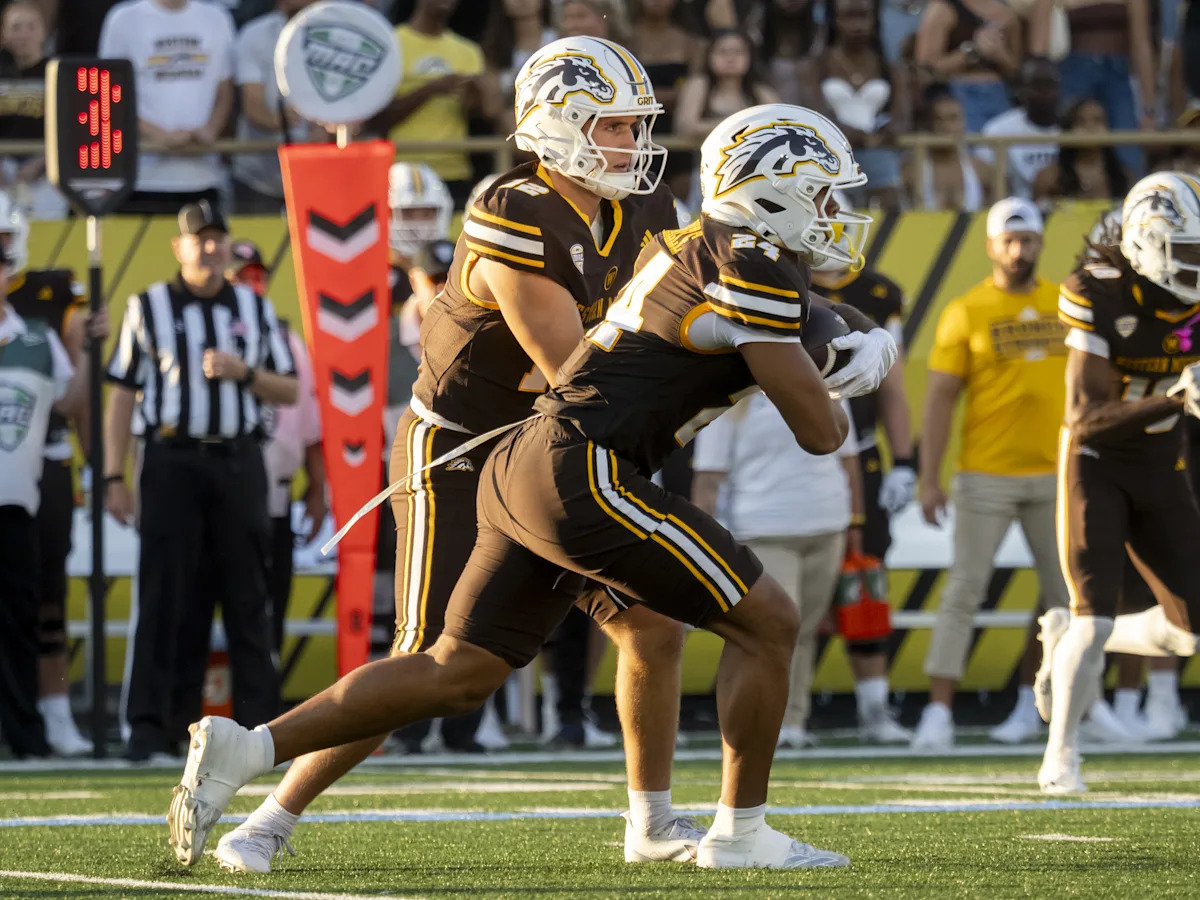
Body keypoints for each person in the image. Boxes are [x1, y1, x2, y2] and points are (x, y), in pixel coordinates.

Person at [167, 102, 897, 872]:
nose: (833, 212)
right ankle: (741, 834)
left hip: (536, 461)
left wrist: (849, 335)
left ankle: (249, 748)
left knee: (466, 670)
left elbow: (788, 312)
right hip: (529, 458)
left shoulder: (692, 233)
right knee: (769, 621)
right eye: (821, 192)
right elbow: (821, 431)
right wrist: (844, 361)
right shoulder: (528, 211)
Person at [209, 35, 694, 874]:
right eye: (614, 126)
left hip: (550, 448)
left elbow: (677, 320)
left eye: (633, 126)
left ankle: (651, 821)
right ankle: (265, 812)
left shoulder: (645, 210)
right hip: (463, 456)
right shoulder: (514, 208)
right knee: (428, 661)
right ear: (558, 125)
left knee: (650, 622)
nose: (632, 144)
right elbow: (576, 374)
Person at [104, 202, 297, 761]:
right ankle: (151, 727)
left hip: (239, 464)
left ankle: (263, 732)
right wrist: (114, 473)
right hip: (171, 459)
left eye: (217, 238)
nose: (209, 248)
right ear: (179, 247)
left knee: (247, 598)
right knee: (165, 594)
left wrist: (244, 373)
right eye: (199, 239)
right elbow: (120, 392)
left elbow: (288, 389)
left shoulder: (254, 308)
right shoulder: (148, 306)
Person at [1039, 171, 1200, 793]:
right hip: (1097, 461)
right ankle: (1062, 755)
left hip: (1164, 463)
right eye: (1185, 250)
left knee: (1188, 631)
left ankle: (1064, 635)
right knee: (1095, 617)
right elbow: (1084, 420)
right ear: (1145, 243)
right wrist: (1178, 398)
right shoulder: (1099, 292)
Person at [911, 197, 1069, 750]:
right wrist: (928, 478)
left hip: (1057, 474)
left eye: (1028, 239)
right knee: (964, 591)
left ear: (1040, 243)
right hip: (986, 474)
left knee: (1065, 598)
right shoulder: (966, 309)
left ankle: (1051, 706)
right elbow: (938, 401)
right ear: (991, 246)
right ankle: (937, 711)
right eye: (1010, 239)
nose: (1019, 249)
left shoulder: (1064, 303)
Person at [692, 392, 865, 748]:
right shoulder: (726, 395)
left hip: (827, 523)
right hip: (762, 528)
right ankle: (760, 723)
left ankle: (793, 722)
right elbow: (708, 478)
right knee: (777, 630)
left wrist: (855, 522)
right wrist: (701, 544)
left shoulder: (828, 384)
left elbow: (849, 459)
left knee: (805, 631)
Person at [0, 194, 106, 760]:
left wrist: (83, 344)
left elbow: (70, 399)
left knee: (33, 603)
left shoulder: (43, 319)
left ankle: (37, 719)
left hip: (28, 476)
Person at [809, 213, 914, 744]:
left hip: (861, 452)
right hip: (791, 457)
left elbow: (892, 388)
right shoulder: (778, 280)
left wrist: (906, 461)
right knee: (787, 589)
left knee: (864, 578)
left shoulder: (877, 292)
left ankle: (874, 708)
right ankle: (786, 714)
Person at [227, 240, 326, 657]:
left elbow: (309, 426)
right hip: (217, 497)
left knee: (271, 609)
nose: (252, 285)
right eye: (242, 278)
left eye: (257, 277)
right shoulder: (199, 336)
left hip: (275, 499)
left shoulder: (287, 342)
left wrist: (318, 489)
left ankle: (260, 708)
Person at [97, 0, 235, 215]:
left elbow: (224, 88)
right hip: (142, 177)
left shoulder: (217, 17)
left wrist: (212, 129)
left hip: (203, 175)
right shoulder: (123, 18)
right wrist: (158, 136)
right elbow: (110, 93)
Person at [373, 0, 491, 206]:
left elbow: (479, 116)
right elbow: (379, 118)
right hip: (401, 171)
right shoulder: (391, 43)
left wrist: (475, 99)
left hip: (455, 170)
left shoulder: (469, 51)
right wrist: (432, 88)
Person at [231, 0, 323, 214]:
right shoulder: (255, 34)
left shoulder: (343, 31)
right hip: (259, 180)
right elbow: (253, 109)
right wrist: (281, 119)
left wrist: (331, 125)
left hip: (321, 176)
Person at [977, 57, 1061, 201]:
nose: (1045, 93)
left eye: (1050, 85)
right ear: (1021, 90)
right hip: (1013, 210)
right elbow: (985, 179)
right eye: (1037, 86)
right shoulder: (998, 130)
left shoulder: (1072, 126)